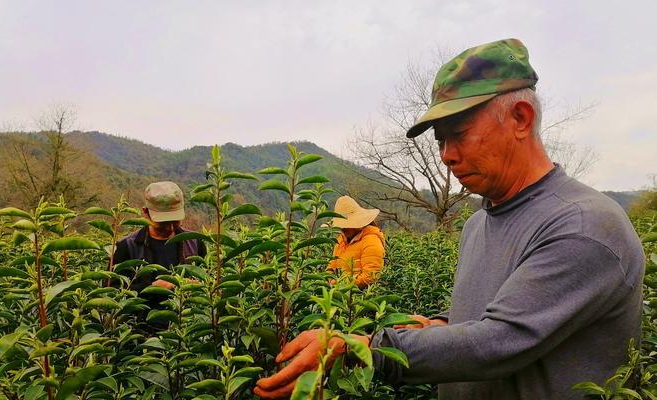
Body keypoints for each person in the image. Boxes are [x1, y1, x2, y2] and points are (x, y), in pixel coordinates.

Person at [254, 38, 645, 400]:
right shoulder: (478, 224)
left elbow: (499, 340)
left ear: (521, 118)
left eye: (458, 133)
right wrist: (437, 325)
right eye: (440, 140)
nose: (446, 155)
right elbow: (483, 318)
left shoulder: (583, 225)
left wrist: (361, 347)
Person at [113, 181, 207, 292]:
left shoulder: (195, 242)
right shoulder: (127, 246)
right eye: (162, 222)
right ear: (146, 213)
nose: (170, 228)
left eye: (175, 221)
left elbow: (207, 280)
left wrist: (192, 284)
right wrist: (150, 289)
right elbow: (113, 291)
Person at [327, 196, 385, 288]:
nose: (343, 228)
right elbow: (331, 267)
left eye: (347, 225)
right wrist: (330, 280)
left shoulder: (371, 241)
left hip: (359, 297)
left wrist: (341, 285)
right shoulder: (341, 240)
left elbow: (370, 277)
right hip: (338, 295)